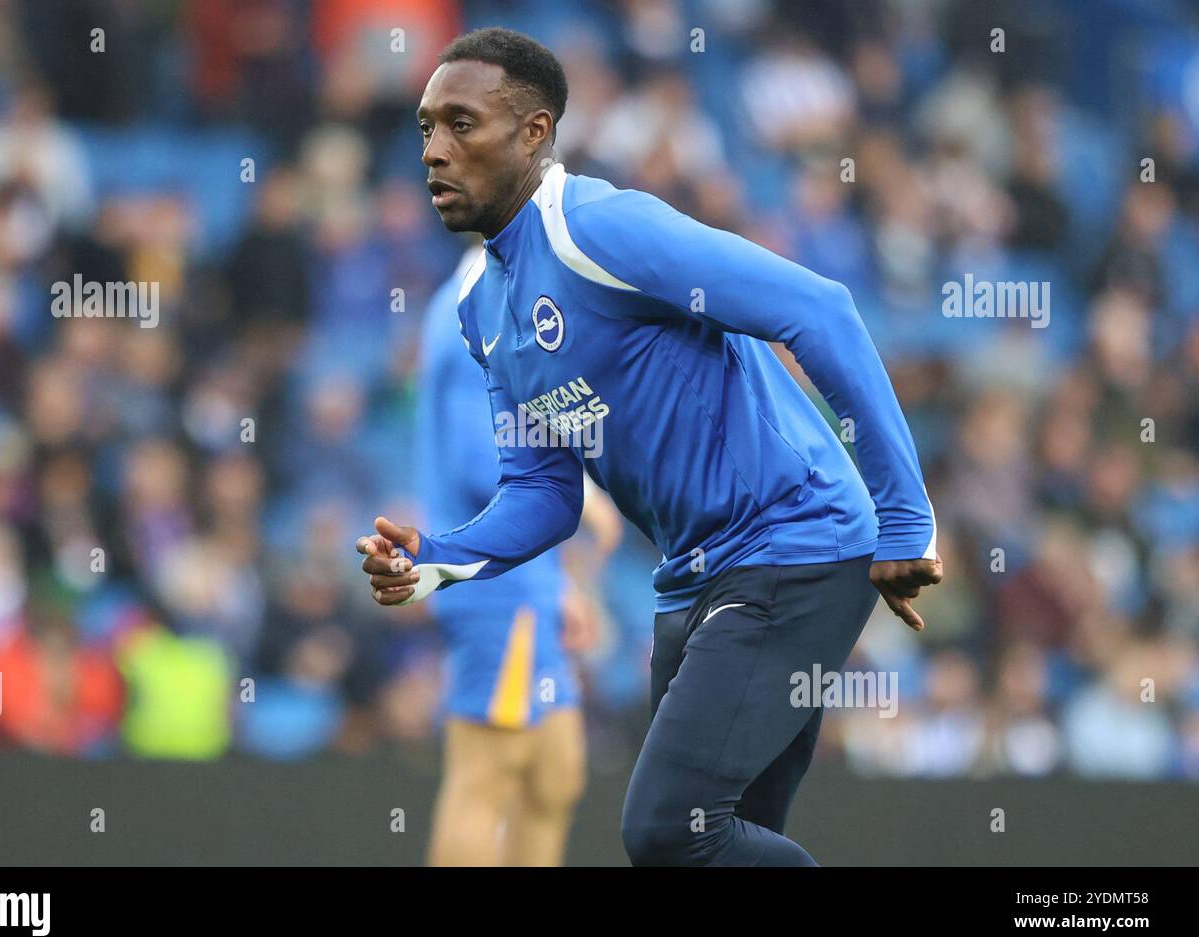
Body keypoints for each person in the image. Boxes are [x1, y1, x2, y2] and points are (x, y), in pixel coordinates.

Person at [356, 27, 942, 866]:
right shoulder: (482, 310)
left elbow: (820, 309)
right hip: (692, 577)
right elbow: (542, 493)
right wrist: (438, 559)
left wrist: (905, 514)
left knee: (672, 832)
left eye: (460, 125)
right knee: (725, 845)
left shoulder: (600, 229)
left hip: (793, 540)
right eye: (424, 129)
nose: (435, 152)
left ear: (534, 133)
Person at [416, 243, 618, 865]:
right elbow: (485, 461)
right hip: (494, 583)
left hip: (530, 581)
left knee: (555, 775)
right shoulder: (466, 320)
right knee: (486, 775)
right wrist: (583, 494)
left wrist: (561, 584)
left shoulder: (488, 308)